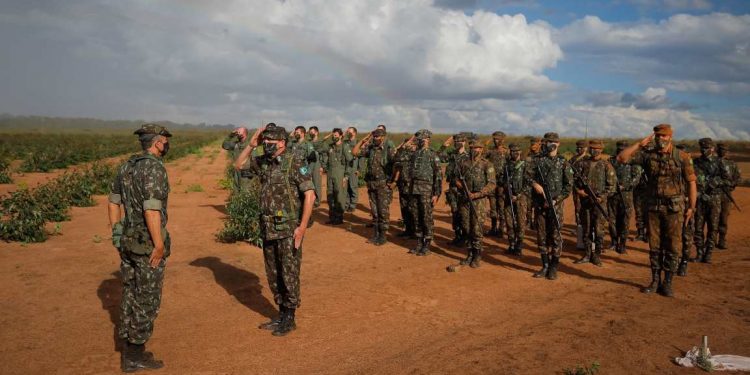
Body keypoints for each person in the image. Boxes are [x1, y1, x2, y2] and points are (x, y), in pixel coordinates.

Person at [234, 124, 315, 336]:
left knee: (288, 273)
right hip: (268, 227)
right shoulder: (263, 163)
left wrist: (302, 227)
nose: (266, 146)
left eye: (270, 143)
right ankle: (281, 314)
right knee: (273, 273)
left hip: (288, 229)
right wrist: (251, 145)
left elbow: (310, 195)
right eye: (265, 142)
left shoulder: (295, 162)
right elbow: (238, 165)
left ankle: (289, 317)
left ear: (282, 143)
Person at [108, 123, 172, 371]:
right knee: (147, 298)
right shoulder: (154, 169)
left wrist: (116, 233)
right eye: (165, 141)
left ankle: (128, 347)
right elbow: (151, 209)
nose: (167, 145)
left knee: (130, 292)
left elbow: (113, 202)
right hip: (146, 243)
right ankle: (135, 354)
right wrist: (158, 244)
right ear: (157, 142)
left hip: (127, 241)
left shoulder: (126, 166)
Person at [617, 124, 697, 297]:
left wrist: (691, 207)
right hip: (653, 207)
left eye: (664, 136)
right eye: (658, 136)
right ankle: (655, 280)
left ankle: (667, 282)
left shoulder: (681, 156)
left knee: (673, 246)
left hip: (674, 209)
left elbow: (691, 182)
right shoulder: (648, 156)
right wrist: (639, 144)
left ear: (670, 137)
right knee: (654, 246)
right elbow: (622, 158)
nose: (661, 139)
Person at [526, 132, 574, 280]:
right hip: (540, 204)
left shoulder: (563, 163)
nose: (551, 144)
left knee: (555, 236)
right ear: (544, 143)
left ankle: (554, 266)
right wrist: (535, 185)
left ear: (558, 144)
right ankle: (545, 265)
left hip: (555, 205)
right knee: (541, 236)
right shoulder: (537, 160)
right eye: (548, 141)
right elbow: (526, 176)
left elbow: (568, 186)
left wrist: (555, 200)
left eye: (554, 142)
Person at [572, 140, 616, 267]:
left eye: (596, 148)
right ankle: (587, 254)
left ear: (601, 150)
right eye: (591, 148)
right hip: (585, 202)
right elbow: (573, 180)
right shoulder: (582, 163)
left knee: (599, 230)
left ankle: (596, 255)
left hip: (599, 204)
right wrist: (578, 191)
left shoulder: (606, 165)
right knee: (586, 229)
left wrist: (602, 197)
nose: (594, 150)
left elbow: (612, 186)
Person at [456, 139, 496, 268]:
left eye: (478, 148)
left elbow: (491, 184)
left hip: (478, 200)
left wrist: (478, 194)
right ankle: (469, 254)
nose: (475, 150)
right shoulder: (464, 163)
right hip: (465, 199)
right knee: (466, 227)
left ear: (482, 149)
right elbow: (456, 179)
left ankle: (477, 255)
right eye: (473, 148)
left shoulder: (487, 164)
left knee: (477, 228)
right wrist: (462, 187)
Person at [353, 128, 396, 245]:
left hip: (383, 184)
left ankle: (383, 236)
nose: (375, 138)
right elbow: (355, 152)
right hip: (371, 184)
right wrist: (362, 141)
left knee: (383, 211)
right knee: (374, 211)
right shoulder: (371, 148)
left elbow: (398, 164)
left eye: (377, 136)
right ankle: (376, 234)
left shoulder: (388, 149)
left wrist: (394, 181)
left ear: (383, 137)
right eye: (374, 136)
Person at [692, 138, 729, 264]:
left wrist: (716, 181)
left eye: (706, 148)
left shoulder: (720, 162)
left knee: (713, 227)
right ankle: (699, 253)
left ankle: (708, 253)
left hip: (714, 199)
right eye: (702, 148)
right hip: (700, 199)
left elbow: (728, 180)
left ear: (712, 148)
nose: (703, 150)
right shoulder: (696, 162)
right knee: (698, 228)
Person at [408, 129, 442, 256]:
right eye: (420, 139)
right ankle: (418, 242)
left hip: (427, 189)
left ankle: (427, 243)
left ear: (428, 139)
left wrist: (436, 193)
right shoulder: (415, 154)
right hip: (414, 188)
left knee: (426, 216)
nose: (422, 140)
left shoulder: (433, 155)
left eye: (424, 138)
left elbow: (438, 175)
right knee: (416, 215)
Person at [608, 140, 641, 254]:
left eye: (623, 149)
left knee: (625, 221)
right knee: (612, 220)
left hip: (626, 196)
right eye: (619, 149)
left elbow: (636, 179)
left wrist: (625, 186)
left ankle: (622, 244)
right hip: (612, 195)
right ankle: (613, 242)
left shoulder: (634, 162)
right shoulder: (611, 161)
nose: (620, 151)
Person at [438, 132, 471, 246]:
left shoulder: (468, 156)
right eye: (456, 141)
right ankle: (458, 236)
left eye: (460, 141)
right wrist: (445, 145)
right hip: (453, 188)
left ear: (464, 142)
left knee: (464, 214)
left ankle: (466, 237)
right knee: (455, 212)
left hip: (464, 189)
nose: (458, 143)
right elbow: (438, 156)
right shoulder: (451, 155)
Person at [500, 143, 529, 255]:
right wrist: (505, 186)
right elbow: (501, 179)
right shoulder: (506, 165)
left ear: (520, 152)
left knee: (521, 223)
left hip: (521, 198)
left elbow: (528, 183)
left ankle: (519, 245)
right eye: (512, 151)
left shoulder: (524, 165)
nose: (515, 153)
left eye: (517, 151)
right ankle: (511, 243)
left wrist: (518, 195)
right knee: (509, 222)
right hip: (508, 198)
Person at [320, 128, 352, 225]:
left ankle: (339, 218)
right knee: (330, 195)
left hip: (340, 173)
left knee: (339, 196)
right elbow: (318, 146)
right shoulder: (330, 146)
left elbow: (349, 162)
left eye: (336, 135)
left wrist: (346, 176)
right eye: (333, 135)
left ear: (341, 136)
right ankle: (332, 217)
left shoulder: (345, 146)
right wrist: (327, 137)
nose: (334, 137)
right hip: (330, 173)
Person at [716, 143, 742, 249]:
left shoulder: (731, 164)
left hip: (726, 195)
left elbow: (738, 178)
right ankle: (711, 241)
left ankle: (722, 240)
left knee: (723, 219)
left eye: (724, 150)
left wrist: (731, 184)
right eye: (721, 150)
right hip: (714, 195)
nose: (722, 152)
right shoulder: (713, 162)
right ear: (717, 151)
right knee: (712, 219)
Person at [485, 131, 509, 237]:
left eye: (498, 139)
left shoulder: (507, 152)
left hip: (502, 184)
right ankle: (493, 228)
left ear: (503, 139)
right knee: (493, 207)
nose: (496, 141)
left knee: (502, 206)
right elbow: (481, 156)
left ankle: (501, 229)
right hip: (492, 183)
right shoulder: (490, 151)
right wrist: (485, 144)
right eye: (494, 139)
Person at [392, 137, 417, 238]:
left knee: (413, 209)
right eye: (407, 144)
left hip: (413, 186)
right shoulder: (403, 154)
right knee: (404, 208)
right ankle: (408, 230)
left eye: (411, 144)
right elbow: (396, 160)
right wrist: (402, 147)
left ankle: (416, 231)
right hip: (403, 185)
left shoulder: (417, 155)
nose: (409, 146)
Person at [570, 140, 589, 250]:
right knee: (578, 213)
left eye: (581, 147)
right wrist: (577, 190)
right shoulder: (573, 160)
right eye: (577, 147)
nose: (578, 149)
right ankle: (581, 240)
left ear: (586, 148)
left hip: (588, 192)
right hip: (577, 191)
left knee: (588, 215)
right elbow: (569, 176)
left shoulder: (589, 159)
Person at [221, 127, 252, 191]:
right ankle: (237, 200)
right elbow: (224, 145)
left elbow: (254, 157)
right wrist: (231, 135)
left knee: (245, 190)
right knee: (236, 190)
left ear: (244, 133)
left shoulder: (250, 144)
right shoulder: (236, 144)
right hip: (237, 171)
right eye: (237, 132)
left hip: (246, 171)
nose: (237, 133)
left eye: (239, 132)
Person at [344, 126, 360, 212]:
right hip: (346, 167)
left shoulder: (358, 142)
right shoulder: (345, 142)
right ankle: (346, 204)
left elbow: (361, 157)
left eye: (350, 132)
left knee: (353, 186)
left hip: (354, 167)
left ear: (354, 133)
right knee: (346, 187)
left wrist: (359, 169)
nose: (348, 133)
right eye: (347, 131)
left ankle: (353, 205)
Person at [307, 126, 324, 207]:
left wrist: (322, 166)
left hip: (317, 164)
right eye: (310, 132)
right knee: (309, 183)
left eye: (312, 132)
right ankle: (310, 199)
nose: (311, 133)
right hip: (309, 163)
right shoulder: (308, 142)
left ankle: (317, 201)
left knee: (316, 183)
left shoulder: (320, 142)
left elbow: (324, 155)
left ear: (317, 132)